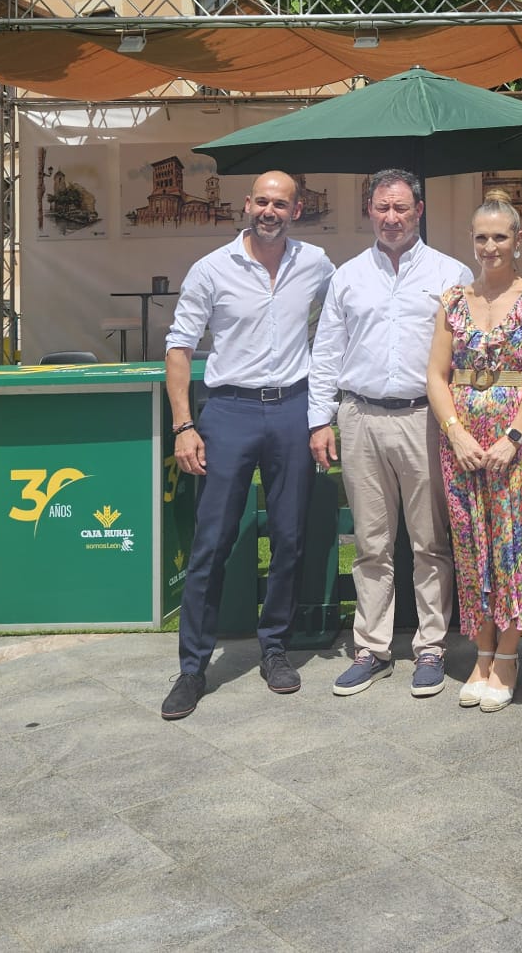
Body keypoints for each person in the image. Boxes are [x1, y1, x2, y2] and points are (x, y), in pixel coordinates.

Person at [160, 170, 332, 721]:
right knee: (212, 542)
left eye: (280, 203)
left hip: (293, 410)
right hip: (229, 410)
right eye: (262, 200)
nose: (270, 210)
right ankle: (192, 668)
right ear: (247, 204)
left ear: (296, 210)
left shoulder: (317, 264)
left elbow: (337, 330)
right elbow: (180, 348)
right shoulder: (211, 269)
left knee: (289, 537)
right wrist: (184, 425)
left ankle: (275, 647)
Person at [308, 168, 471, 699]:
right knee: (371, 543)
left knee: (430, 541)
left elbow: (465, 354)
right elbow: (327, 352)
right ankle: (372, 648)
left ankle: (430, 646)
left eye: (401, 207)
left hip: (426, 418)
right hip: (360, 418)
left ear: (419, 210)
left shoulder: (452, 274)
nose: (392, 217)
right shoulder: (347, 276)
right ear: (369, 211)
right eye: (382, 207)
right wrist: (320, 419)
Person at [424, 197, 522, 712]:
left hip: (516, 439)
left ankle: (508, 654)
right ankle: (481, 651)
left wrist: (512, 435)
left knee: (513, 541)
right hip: (462, 439)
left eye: (500, 237)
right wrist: (456, 432)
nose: (490, 247)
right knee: (471, 542)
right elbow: (436, 376)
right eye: (481, 238)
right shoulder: (453, 301)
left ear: (518, 240)